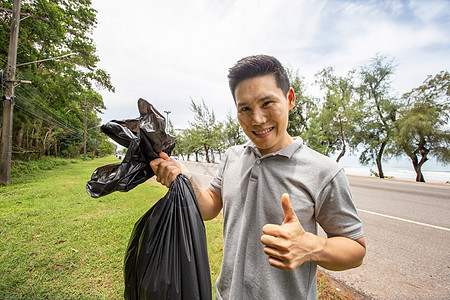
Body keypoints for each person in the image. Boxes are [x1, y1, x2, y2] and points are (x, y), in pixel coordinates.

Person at [150, 55, 366, 299]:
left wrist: (312, 246)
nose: (258, 119)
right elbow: (210, 206)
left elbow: (356, 250)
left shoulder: (324, 171)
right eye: (245, 109)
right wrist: (185, 181)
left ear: (290, 98)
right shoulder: (232, 157)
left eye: (267, 103)